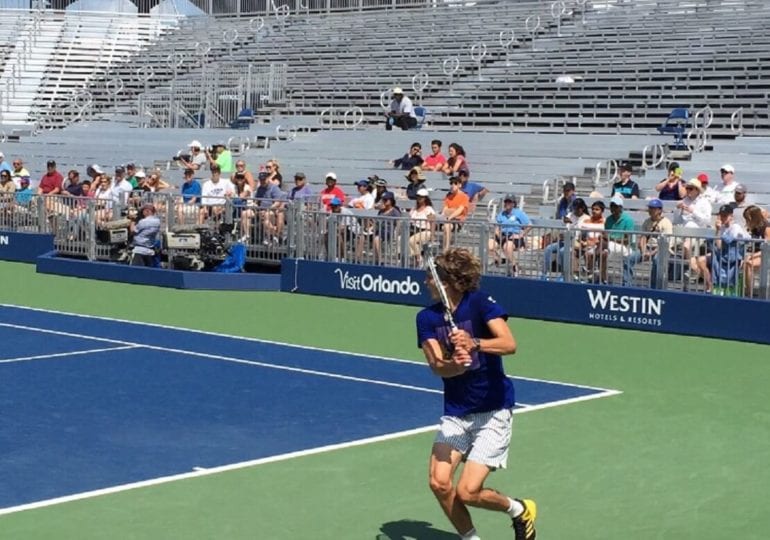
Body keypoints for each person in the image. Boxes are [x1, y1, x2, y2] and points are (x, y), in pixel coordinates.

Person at [416, 247, 536, 540]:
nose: (425, 283)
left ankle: (518, 509)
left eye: (430, 278)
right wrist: (455, 365)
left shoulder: (480, 304)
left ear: (447, 282)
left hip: (493, 411)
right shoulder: (426, 318)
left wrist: (475, 343)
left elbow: (509, 343)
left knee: (468, 491)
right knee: (439, 483)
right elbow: (436, 367)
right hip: (456, 413)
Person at [625, 199, 673, 287]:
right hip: (647, 248)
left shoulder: (666, 222)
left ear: (659, 210)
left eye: (653, 208)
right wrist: (644, 251)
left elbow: (666, 242)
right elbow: (643, 237)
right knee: (629, 259)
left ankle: (654, 288)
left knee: (656, 260)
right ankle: (627, 285)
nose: (650, 210)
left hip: (661, 249)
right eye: (650, 208)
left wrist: (651, 253)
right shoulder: (647, 221)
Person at [488, 194, 531, 276]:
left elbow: (529, 225)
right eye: (506, 202)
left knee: (507, 247)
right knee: (489, 245)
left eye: (509, 202)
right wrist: (497, 233)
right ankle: (500, 260)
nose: (507, 203)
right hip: (503, 234)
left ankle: (515, 266)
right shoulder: (501, 214)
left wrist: (521, 235)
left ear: (513, 204)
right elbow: (497, 226)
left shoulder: (519, 213)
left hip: (514, 236)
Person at [741, 205, 770, 297]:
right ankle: (745, 289)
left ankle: (749, 292)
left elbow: (767, 247)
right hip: (757, 254)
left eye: (748, 219)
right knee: (744, 262)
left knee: (749, 264)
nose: (747, 221)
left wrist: (752, 256)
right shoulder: (754, 228)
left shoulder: (766, 227)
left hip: (766, 254)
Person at [440, 176, 470, 251]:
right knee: (445, 226)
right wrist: (451, 212)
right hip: (447, 220)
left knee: (446, 226)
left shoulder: (464, 196)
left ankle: (446, 249)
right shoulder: (448, 196)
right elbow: (445, 210)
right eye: (451, 183)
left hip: (458, 221)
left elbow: (459, 211)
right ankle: (445, 249)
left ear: (460, 185)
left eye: (455, 183)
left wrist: (450, 216)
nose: (453, 185)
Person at [408, 187, 436, 266]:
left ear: (425, 198)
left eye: (421, 197)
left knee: (411, 240)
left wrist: (433, 235)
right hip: (414, 230)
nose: (419, 198)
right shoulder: (414, 209)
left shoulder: (428, 209)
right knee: (401, 239)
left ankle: (418, 258)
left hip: (425, 231)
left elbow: (432, 222)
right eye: (418, 196)